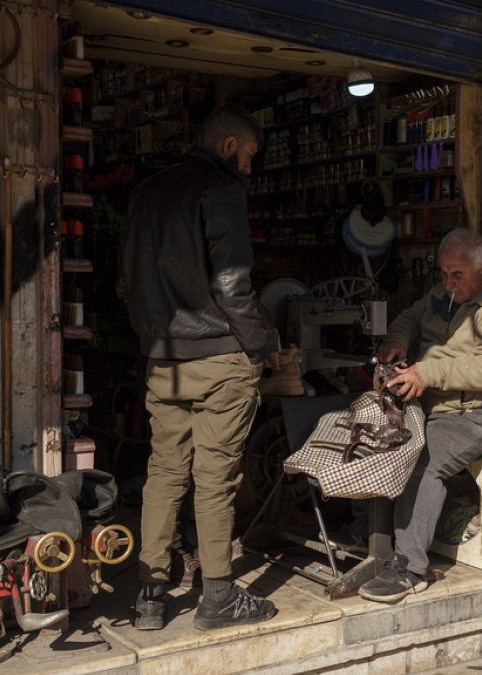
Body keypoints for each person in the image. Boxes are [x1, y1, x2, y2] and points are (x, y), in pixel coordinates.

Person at [120, 105, 277, 631]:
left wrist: (153, 337)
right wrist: (262, 345)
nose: (250, 168)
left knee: (163, 473)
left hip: (164, 359)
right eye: (250, 155)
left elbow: (127, 284)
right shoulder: (221, 190)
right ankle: (218, 595)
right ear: (230, 145)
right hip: (219, 359)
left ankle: (149, 596)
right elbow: (233, 285)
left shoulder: (146, 193)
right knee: (215, 479)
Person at [359, 228, 482, 603]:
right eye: (443, 273)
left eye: (457, 275)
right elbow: (410, 315)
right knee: (373, 433)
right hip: (441, 404)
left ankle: (409, 567)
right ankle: (374, 538)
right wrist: (397, 340)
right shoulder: (444, 295)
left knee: (424, 460)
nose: (447, 283)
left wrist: (427, 374)